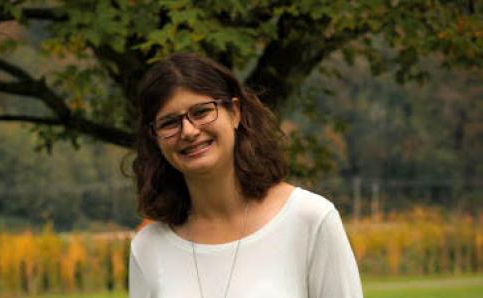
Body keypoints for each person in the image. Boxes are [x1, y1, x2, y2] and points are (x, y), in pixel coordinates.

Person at [129, 53, 363, 298]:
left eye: (201, 112)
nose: (188, 131)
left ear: (235, 112)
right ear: (154, 138)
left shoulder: (310, 220)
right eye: (169, 123)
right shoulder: (148, 247)